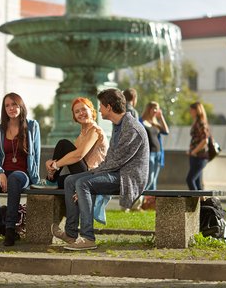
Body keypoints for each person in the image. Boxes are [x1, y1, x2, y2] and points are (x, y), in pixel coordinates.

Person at [61, 88, 149, 251]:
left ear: (109, 107)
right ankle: (71, 233)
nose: (99, 109)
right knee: (69, 180)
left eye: (101, 106)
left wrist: (91, 176)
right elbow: (110, 160)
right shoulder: (118, 125)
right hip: (115, 171)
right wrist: (93, 173)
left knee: (82, 184)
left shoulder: (131, 128)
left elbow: (116, 162)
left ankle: (88, 238)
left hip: (127, 177)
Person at [0, 93, 40, 246]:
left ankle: (10, 229)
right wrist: (0, 173)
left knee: (15, 178)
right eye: (7, 105)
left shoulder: (32, 126)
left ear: (21, 106)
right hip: (2, 171)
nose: (11, 108)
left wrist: (35, 177)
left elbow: (36, 154)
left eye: (14, 104)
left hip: (22, 174)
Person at [32, 97, 108, 191]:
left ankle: (50, 181)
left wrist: (55, 165)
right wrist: (51, 162)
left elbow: (78, 155)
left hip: (94, 175)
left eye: (84, 109)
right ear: (74, 116)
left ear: (91, 110)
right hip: (85, 173)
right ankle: (51, 181)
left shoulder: (95, 130)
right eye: (77, 112)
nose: (81, 113)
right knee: (59, 182)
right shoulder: (82, 134)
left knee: (63, 144)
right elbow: (69, 156)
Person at [140, 101, 169, 191]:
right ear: (149, 109)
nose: (156, 110)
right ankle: (138, 198)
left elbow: (166, 131)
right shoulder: (141, 122)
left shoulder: (155, 123)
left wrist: (161, 117)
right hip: (149, 154)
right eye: (154, 108)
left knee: (154, 181)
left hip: (158, 153)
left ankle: (151, 203)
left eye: (157, 108)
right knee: (150, 179)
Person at [186, 102, 210, 190]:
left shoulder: (200, 122)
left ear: (197, 110)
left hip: (200, 156)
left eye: (191, 110)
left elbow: (205, 140)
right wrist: (191, 151)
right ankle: (201, 202)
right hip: (195, 156)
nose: (190, 112)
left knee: (190, 179)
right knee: (197, 182)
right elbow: (196, 140)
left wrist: (194, 151)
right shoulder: (196, 122)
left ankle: (195, 202)